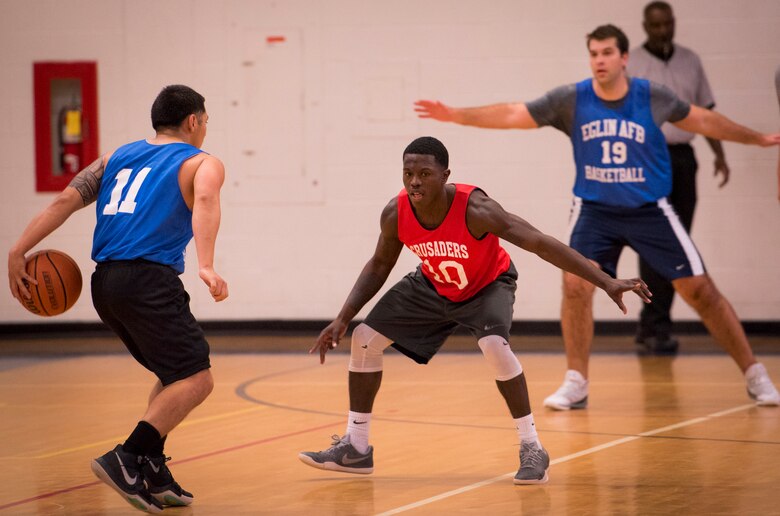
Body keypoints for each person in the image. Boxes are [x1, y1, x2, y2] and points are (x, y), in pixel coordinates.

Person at [414, 25, 780, 410]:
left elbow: (702, 120)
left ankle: (755, 374)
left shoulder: (651, 96)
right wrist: (455, 115)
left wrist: (755, 138)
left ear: (624, 58)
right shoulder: (571, 99)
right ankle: (576, 381)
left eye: (607, 53)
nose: (599, 60)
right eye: (593, 53)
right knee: (575, 284)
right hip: (595, 210)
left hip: (649, 209)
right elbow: (513, 113)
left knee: (699, 290)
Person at [298, 136, 650, 485]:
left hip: (487, 285)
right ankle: (356, 448)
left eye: (424, 174)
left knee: (494, 346)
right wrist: (343, 318)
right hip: (434, 284)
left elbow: (540, 243)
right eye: (408, 174)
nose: (415, 181)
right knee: (363, 338)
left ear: (445, 175)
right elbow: (379, 265)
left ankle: (532, 447)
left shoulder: (477, 209)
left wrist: (606, 281)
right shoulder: (396, 212)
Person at [7, 85, 228, 513]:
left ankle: (151, 466)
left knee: (173, 375)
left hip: (105, 284)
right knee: (197, 378)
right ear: (193, 121)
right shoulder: (202, 161)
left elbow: (65, 200)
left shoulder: (115, 158)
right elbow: (204, 200)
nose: (205, 129)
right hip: (148, 281)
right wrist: (206, 265)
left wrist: (18, 250)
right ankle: (127, 455)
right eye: (205, 122)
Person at [627, 1, 730, 355]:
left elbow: (705, 114)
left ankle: (653, 323)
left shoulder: (690, 60)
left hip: (683, 159)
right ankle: (654, 326)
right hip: (646, 159)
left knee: (678, 243)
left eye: (667, 24)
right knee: (653, 244)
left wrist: (719, 154)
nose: (662, 30)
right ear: (645, 26)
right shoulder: (633, 63)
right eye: (655, 25)